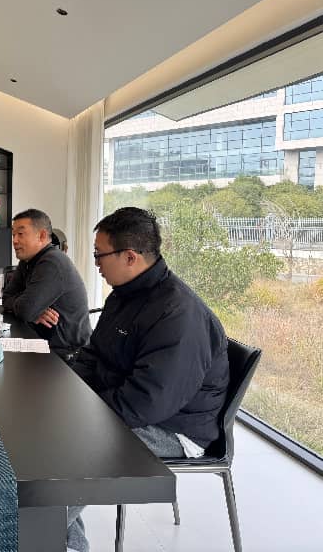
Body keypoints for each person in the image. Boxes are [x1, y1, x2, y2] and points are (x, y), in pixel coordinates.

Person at [64, 207, 229, 552]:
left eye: (99, 254)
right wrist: (65, 389)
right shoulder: (124, 295)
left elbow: (146, 403)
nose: (95, 263)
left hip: (174, 428)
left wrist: (81, 411)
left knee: (71, 449)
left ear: (130, 257)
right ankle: (58, 538)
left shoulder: (178, 313)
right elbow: (94, 355)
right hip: (130, 405)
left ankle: (29, 531)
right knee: (51, 432)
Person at [2, 209, 91, 359]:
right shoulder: (27, 260)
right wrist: (33, 309)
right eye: (13, 235)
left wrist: (30, 309)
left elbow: (26, 310)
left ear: (42, 236)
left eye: (21, 234)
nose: (14, 240)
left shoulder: (52, 262)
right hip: (41, 341)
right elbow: (7, 298)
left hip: (67, 356)